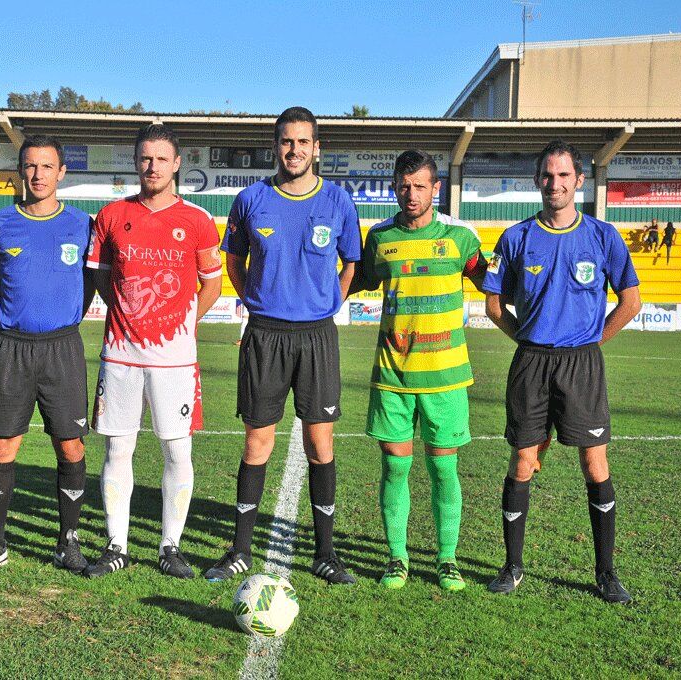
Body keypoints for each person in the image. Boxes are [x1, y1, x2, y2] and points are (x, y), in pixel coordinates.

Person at [206, 106, 362, 584]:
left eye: (303, 142)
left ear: (318, 148)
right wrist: (256, 299)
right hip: (265, 335)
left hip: (317, 336)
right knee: (258, 441)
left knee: (320, 442)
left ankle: (327, 553)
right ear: (276, 147)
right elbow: (234, 261)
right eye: (286, 142)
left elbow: (350, 264)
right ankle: (240, 549)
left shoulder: (337, 201)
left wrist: (326, 301)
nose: (294, 150)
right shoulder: (251, 199)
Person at [482, 139, 641, 603]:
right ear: (537, 180)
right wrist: (528, 339)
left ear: (579, 181)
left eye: (564, 176)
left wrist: (592, 341)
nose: (555, 184)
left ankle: (606, 573)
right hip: (531, 362)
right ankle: (512, 568)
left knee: (594, 464)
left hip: (582, 364)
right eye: (548, 176)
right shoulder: (515, 238)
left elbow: (630, 302)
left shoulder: (602, 236)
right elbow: (494, 304)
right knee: (523, 462)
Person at [83, 124, 223, 579]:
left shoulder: (198, 221)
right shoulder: (110, 216)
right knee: (117, 451)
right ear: (135, 161)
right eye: (145, 158)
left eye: (161, 158)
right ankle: (117, 545)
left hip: (174, 359)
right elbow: (102, 278)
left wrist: (181, 321)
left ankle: (170, 547)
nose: (152, 166)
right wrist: (129, 316)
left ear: (177, 163)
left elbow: (213, 284)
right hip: (121, 356)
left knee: (177, 452)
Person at [0, 136, 94, 575]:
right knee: (2, 446)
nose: (38, 175)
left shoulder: (82, 224)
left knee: (70, 446)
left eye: (47, 166)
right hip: (11, 349)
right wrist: (15, 319)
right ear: (20, 170)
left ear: (62, 173)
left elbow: (89, 283)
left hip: (63, 349)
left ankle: (67, 541)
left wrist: (63, 317)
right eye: (31, 166)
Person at [355, 150, 488, 591]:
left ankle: (447, 558)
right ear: (394, 187)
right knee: (395, 468)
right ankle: (397, 557)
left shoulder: (460, 238)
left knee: (443, 470)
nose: (411, 194)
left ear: (436, 189)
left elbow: (490, 280)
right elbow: (359, 279)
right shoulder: (379, 238)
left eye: (420, 186)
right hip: (393, 375)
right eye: (404, 185)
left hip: (447, 376)